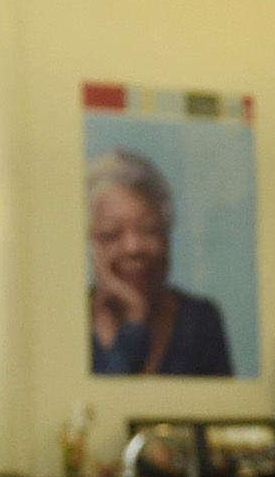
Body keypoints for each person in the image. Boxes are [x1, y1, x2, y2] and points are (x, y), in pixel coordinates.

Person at [86, 146, 233, 376]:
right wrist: (135, 318)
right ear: (91, 242)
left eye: (149, 230)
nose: (133, 248)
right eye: (112, 234)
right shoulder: (73, 320)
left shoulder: (200, 321)